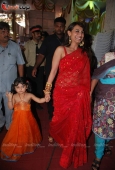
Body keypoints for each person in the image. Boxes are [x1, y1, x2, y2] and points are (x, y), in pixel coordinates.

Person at [43, 22, 92, 169]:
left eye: (82, 32)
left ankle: (69, 148)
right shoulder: (61, 49)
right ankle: (55, 134)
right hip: (61, 93)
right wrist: (47, 90)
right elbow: (53, 72)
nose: (80, 34)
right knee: (58, 120)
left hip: (77, 95)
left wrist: (86, 95)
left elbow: (85, 77)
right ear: (69, 33)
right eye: (77, 31)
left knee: (74, 123)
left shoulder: (84, 54)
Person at [0, 77, 49, 161]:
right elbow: (10, 107)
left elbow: (39, 100)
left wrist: (45, 98)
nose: (20, 89)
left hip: (28, 119)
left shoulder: (29, 95)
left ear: (26, 86)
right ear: (14, 88)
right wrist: (9, 99)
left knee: (27, 132)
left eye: (22, 86)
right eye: (17, 87)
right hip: (17, 120)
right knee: (17, 133)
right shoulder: (14, 96)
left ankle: (25, 145)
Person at [32, 17, 66, 120]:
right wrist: (35, 67)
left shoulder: (68, 39)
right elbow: (41, 55)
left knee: (63, 93)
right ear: (54, 27)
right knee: (49, 92)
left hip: (65, 73)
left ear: (64, 27)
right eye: (57, 26)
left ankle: (62, 113)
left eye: (61, 26)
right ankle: (51, 114)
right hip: (51, 71)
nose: (59, 28)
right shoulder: (48, 40)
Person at [90, 51, 115, 170]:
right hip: (104, 101)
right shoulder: (108, 56)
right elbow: (96, 75)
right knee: (100, 126)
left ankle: (106, 143)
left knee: (112, 127)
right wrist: (90, 93)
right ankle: (98, 156)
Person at [0, 21, 25, 132]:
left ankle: (9, 125)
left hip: (9, 84)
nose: (6, 34)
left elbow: (20, 64)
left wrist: (21, 81)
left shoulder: (15, 47)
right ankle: (1, 122)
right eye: (2, 31)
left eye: (7, 31)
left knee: (9, 107)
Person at [24, 25, 45, 109]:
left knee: (40, 86)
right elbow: (25, 57)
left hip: (41, 68)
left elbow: (44, 57)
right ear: (32, 34)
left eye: (39, 33)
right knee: (31, 85)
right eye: (37, 33)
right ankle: (31, 102)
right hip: (30, 67)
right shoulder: (28, 44)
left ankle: (38, 103)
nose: (39, 35)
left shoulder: (43, 44)